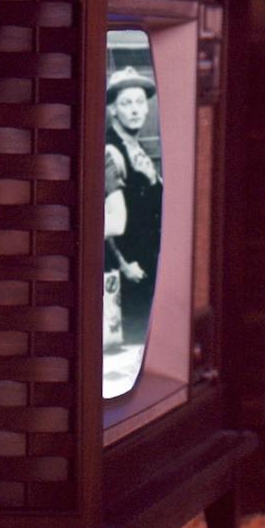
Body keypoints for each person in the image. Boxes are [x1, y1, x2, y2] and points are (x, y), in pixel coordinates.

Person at [103, 65, 163, 343]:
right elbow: (105, 221)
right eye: (127, 103)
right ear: (113, 110)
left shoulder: (138, 150)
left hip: (149, 263)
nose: (136, 110)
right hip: (129, 271)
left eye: (140, 102)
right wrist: (124, 265)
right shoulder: (111, 152)